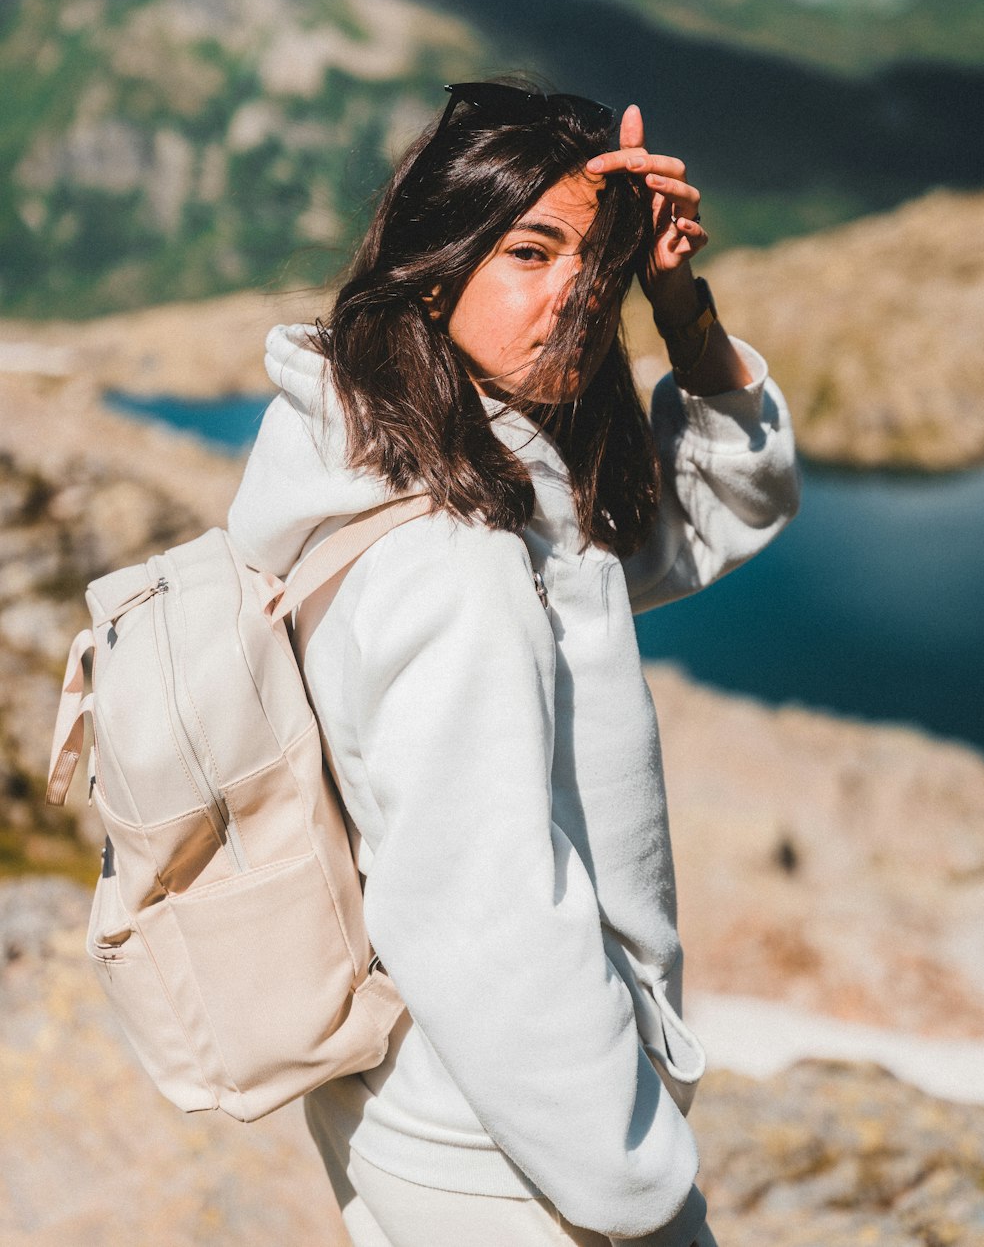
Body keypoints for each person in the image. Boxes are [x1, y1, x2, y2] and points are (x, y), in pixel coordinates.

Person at [228, 80, 800, 1246]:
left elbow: (712, 516)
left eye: (594, 268)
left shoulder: (395, 451)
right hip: (512, 1159)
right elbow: (486, 908)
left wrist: (679, 306)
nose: (573, 301)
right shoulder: (456, 556)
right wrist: (638, 1177)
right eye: (528, 253)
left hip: (423, 1101)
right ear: (439, 266)